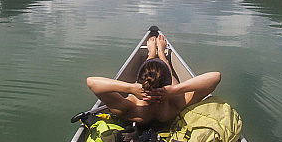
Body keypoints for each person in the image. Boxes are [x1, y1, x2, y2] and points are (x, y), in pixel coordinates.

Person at [86, 33, 221, 126]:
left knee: (151, 72)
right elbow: (215, 77)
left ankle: (151, 54)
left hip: (139, 105)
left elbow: (92, 82)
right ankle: (161, 54)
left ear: (139, 82)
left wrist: (130, 88)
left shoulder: (129, 107)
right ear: (166, 85)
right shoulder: (175, 104)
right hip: (167, 105)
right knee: (161, 71)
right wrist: (174, 89)